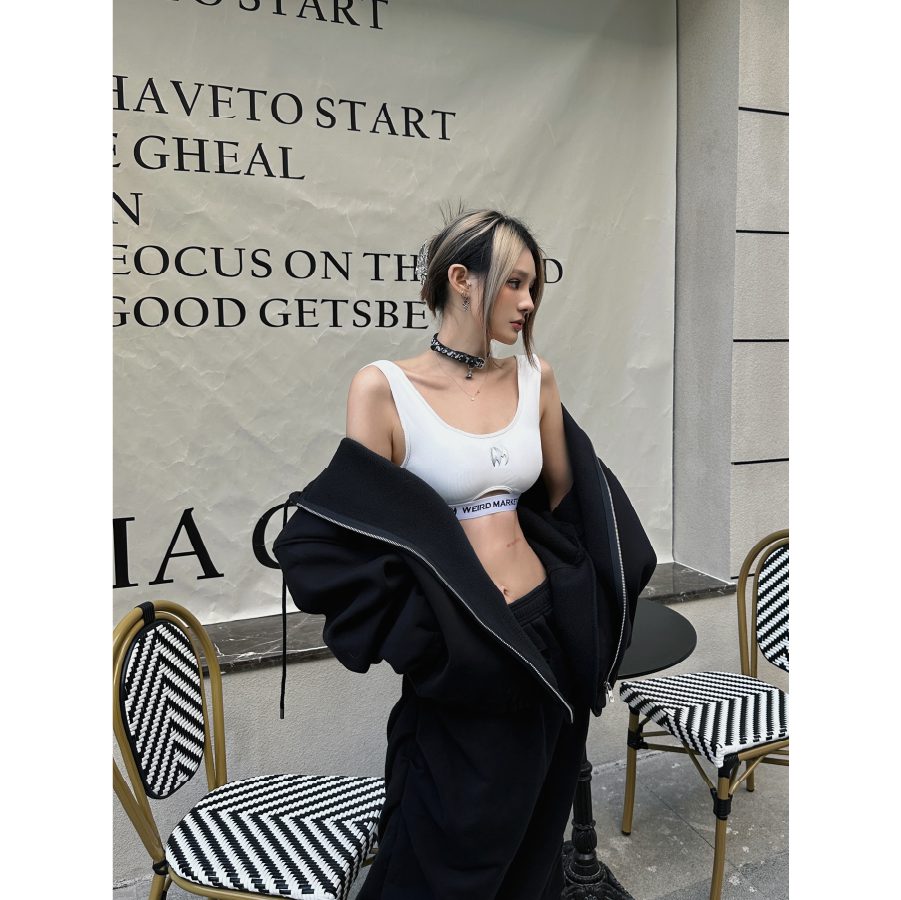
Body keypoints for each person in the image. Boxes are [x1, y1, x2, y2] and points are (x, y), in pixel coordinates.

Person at [273, 208, 657, 899]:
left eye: (534, 286)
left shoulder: (535, 379)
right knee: (447, 841)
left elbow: (572, 505)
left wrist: (584, 609)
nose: (528, 302)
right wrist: (428, 642)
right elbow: (358, 543)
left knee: (536, 835)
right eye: (514, 282)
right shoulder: (383, 388)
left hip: (546, 636)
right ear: (460, 279)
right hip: (465, 646)